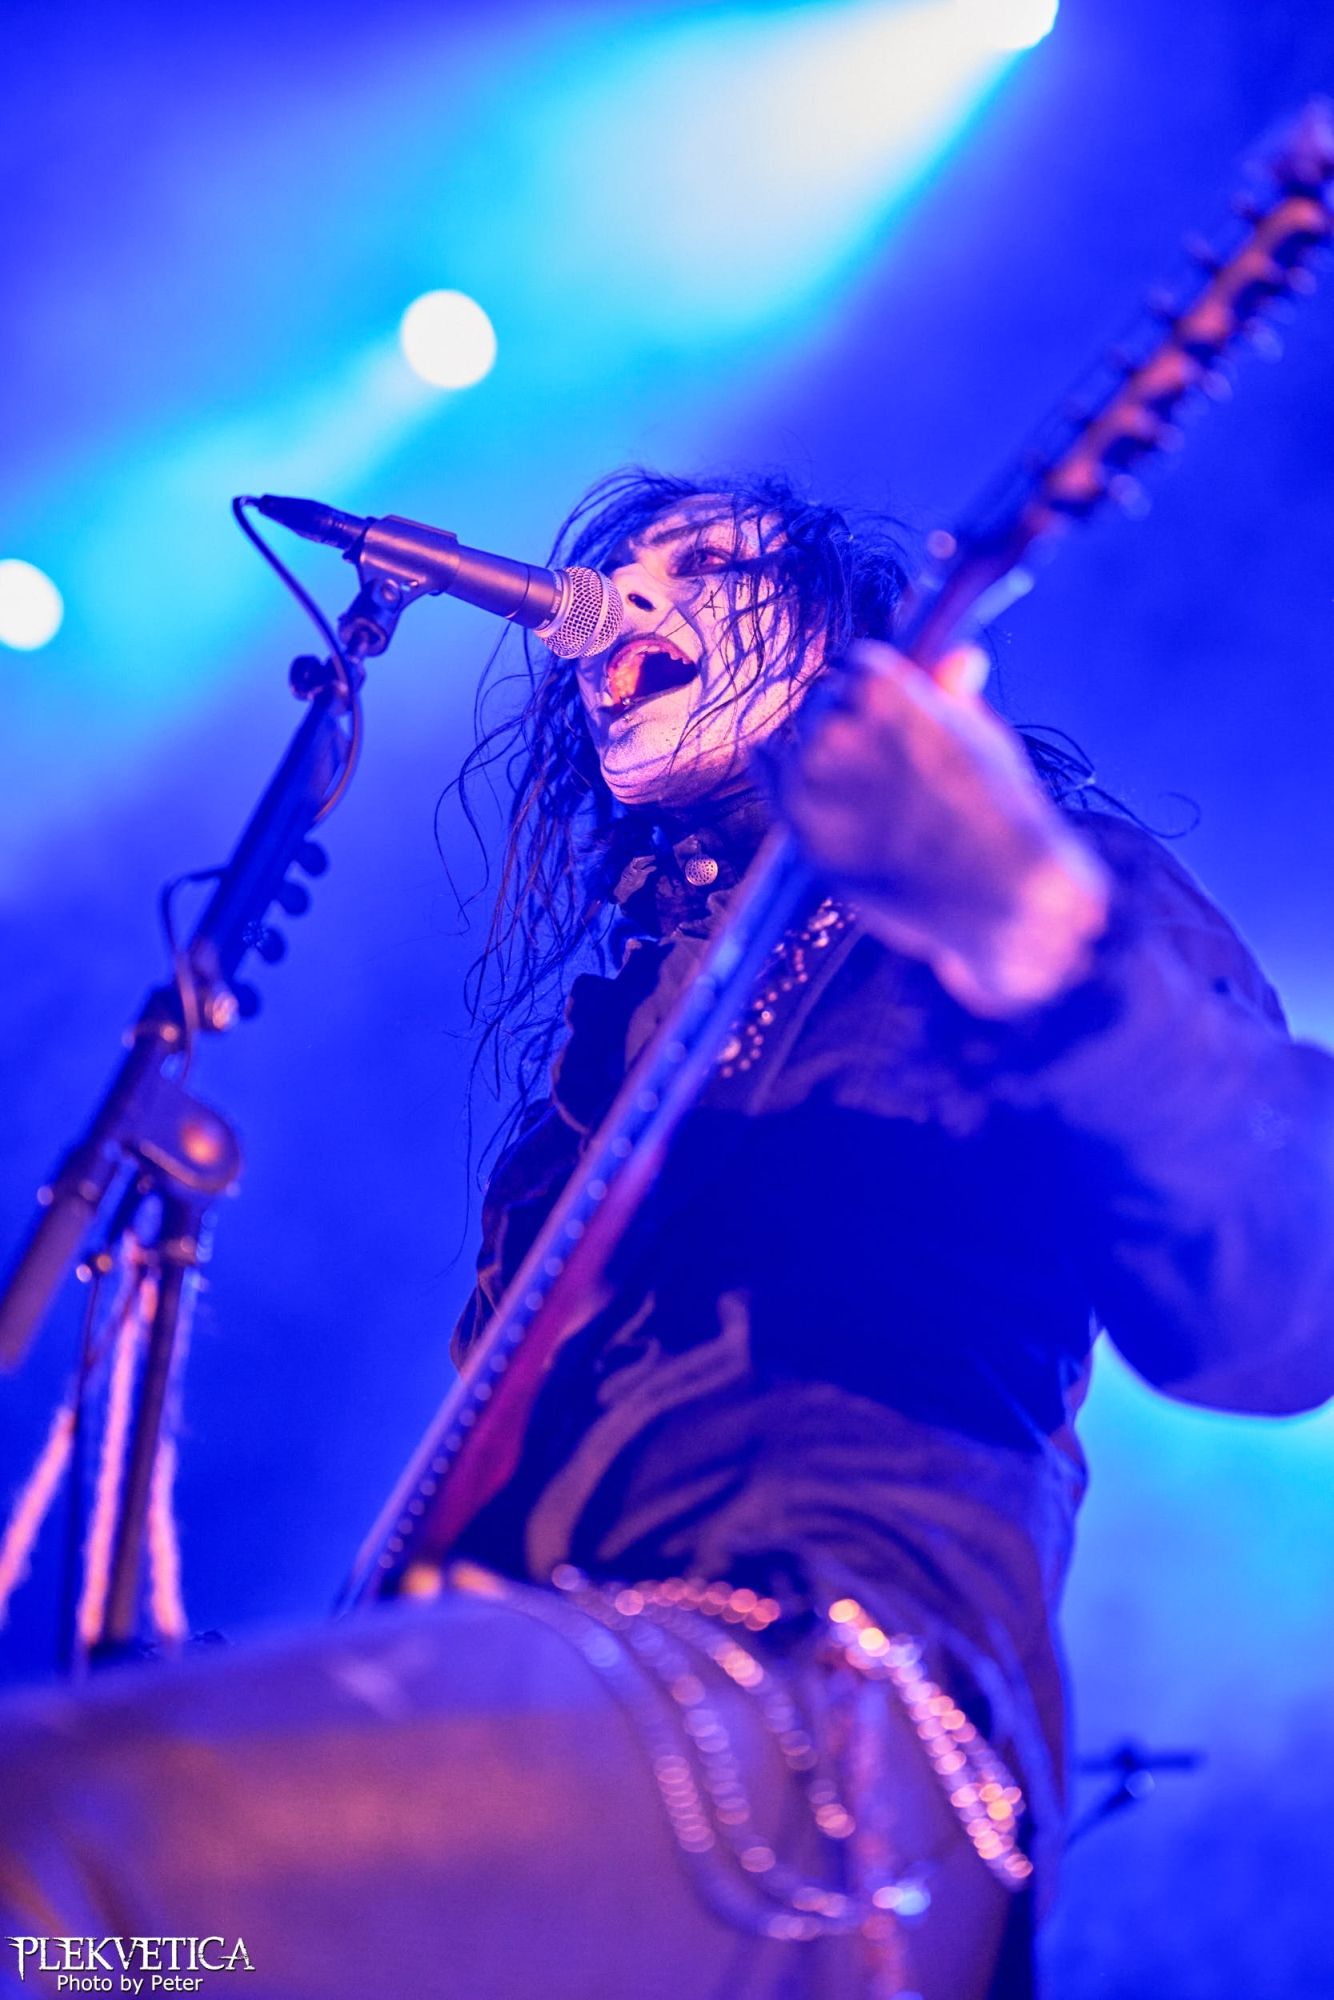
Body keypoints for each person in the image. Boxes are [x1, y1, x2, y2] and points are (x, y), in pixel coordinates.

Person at [2, 468, 1332, 2000]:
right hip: (575, 1711)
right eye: (622, 564)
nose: (626, 594)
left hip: (820, 1708)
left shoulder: (1023, 902)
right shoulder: (615, 1047)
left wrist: (1030, 933)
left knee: (56, 1834)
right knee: (141, 1965)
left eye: (703, 561)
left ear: (834, 641)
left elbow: (1278, 1317)